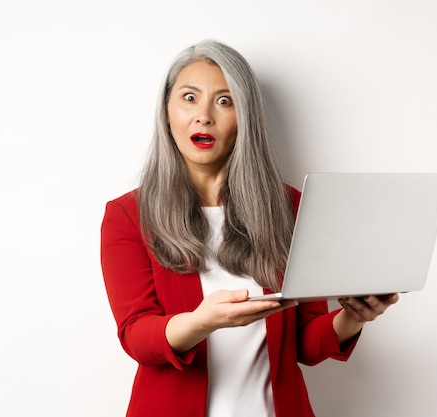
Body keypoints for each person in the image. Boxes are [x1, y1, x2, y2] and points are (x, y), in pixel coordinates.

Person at [100, 39, 398, 417]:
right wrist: (201, 322)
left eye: (224, 101)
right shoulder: (128, 215)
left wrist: (351, 318)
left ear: (245, 117)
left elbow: (304, 344)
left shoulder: (291, 207)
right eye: (189, 98)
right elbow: (137, 336)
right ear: (166, 111)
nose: (203, 116)